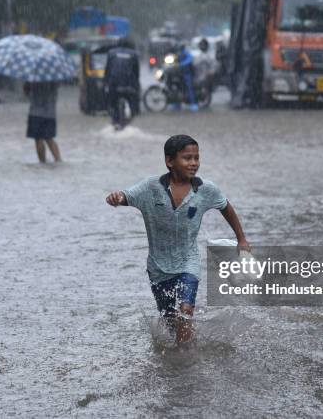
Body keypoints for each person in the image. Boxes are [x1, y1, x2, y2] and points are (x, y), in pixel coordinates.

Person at [106, 135, 249, 345]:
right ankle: (178, 357)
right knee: (170, 321)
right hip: (158, 268)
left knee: (185, 311)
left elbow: (225, 206)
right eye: (187, 158)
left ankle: (185, 358)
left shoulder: (206, 190)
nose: (193, 163)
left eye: (196, 158)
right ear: (170, 161)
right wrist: (116, 198)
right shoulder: (150, 188)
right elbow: (125, 196)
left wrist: (241, 239)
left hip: (188, 263)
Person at [103, 37, 140, 129]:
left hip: (114, 84)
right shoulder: (134, 54)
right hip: (129, 84)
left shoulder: (111, 53)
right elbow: (136, 72)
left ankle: (114, 119)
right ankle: (132, 114)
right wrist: (136, 85)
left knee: (111, 102)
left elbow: (107, 70)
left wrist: (105, 82)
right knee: (134, 103)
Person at [24, 81, 61, 163]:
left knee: (38, 138)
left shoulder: (33, 77)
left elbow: (26, 91)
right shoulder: (54, 77)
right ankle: (58, 160)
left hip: (35, 112)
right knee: (49, 138)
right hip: (50, 113)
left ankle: (42, 162)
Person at [177, 43, 198, 112]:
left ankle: (193, 103)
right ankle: (176, 103)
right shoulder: (178, 54)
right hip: (179, 74)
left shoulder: (187, 53)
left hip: (187, 73)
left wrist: (182, 64)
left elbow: (189, 59)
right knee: (178, 87)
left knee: (189, 88)